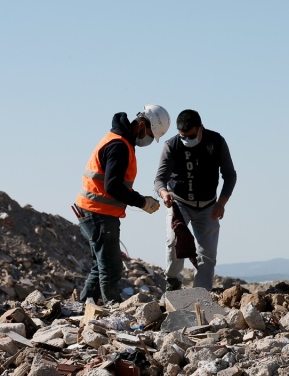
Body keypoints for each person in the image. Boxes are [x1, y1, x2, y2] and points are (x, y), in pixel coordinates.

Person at [75, 105, 171, 304]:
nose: (149, 140)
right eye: (151, 135)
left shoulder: (120, 141)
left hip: (94, 210)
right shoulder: (119, 146)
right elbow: (113, 187)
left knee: (101, 264)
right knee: (110, 266)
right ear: (142, 126)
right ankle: (113, 310)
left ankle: (83, 306)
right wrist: (142, 202)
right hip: (98, 213)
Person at [154, 109, 237, 291]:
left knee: (207, 254)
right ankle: (173, 281)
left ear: (201, 128)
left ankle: (202, 292)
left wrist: (221, 203)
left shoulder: (216, 142)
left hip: (209, 206)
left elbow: (230, 175)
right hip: (180, 203)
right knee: (174, 241)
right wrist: (163, 193)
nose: (187, 140)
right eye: (183, 136)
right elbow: (159, 179)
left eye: (191, 136)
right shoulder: (172, 145)